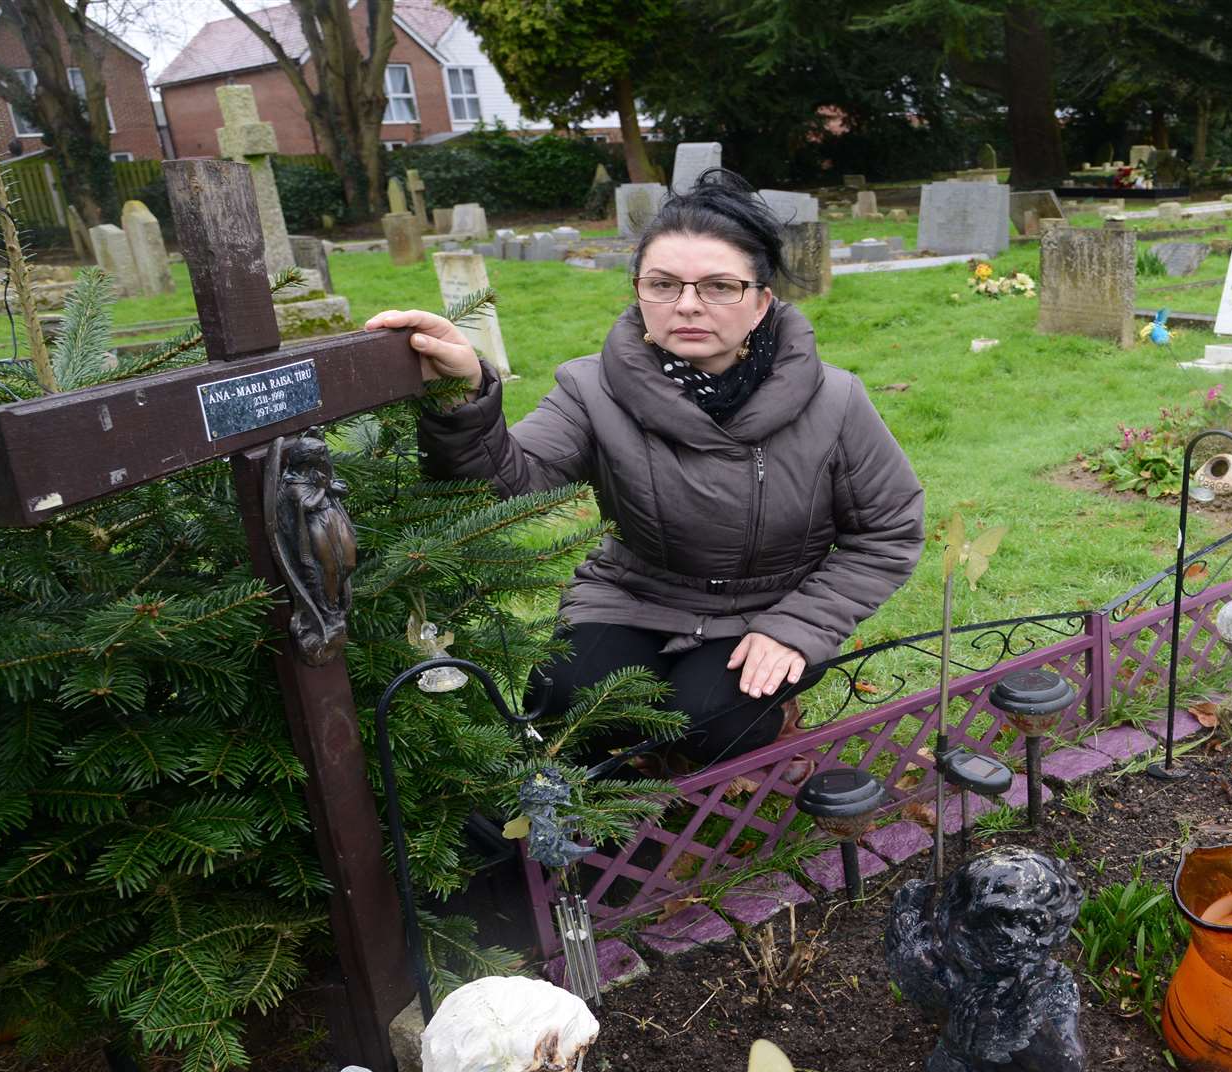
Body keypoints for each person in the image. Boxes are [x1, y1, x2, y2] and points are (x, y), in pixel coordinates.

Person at [367, 169, 925, 774]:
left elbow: (887, 532)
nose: (686, 305)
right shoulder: (591, 388)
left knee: (709, 720)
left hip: (771, 604)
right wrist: (464, 395)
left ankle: (760, 731)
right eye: (662, 285)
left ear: (762, 301)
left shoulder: (835, 401)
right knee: (559, 701)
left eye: (718, 286)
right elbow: (508, 487)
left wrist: (797, 627)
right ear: (638, 292)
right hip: (634, 595)